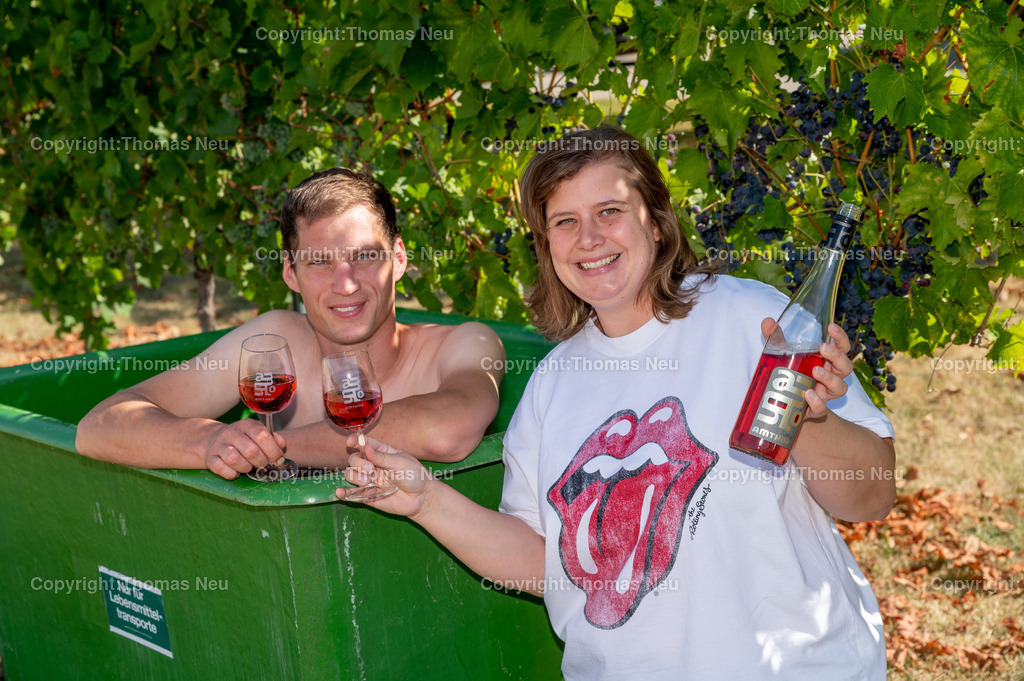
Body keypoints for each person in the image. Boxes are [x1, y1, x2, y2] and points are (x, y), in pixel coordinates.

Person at [336, 127, 897, 680]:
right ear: (546, 244)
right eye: (564, 222)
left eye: (609, 211)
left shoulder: (755, 322)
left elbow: (871, 496)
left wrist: (812, 419)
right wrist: (423, 500)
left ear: (655, 221)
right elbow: (544, 562)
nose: (589, 238)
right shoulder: (551, 384)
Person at [76, 168, 505, 479]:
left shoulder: (465, 343)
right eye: (319, 262)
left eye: (364, 256)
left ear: (398, 258)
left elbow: (447, 427)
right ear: (290, 273)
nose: (346, 284)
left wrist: (272, 450)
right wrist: (209, 444)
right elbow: (101, 426)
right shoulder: (276, 344)